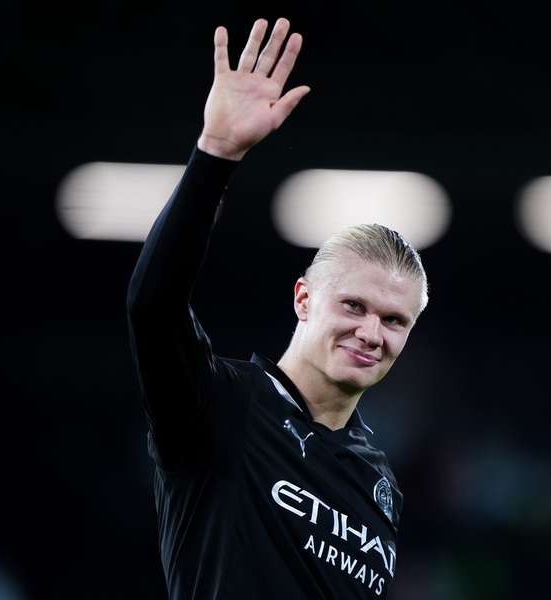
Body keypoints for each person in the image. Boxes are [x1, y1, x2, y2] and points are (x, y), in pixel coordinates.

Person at [125, 17, 429, 599]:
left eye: (395, 321)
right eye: (354, 305)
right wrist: (215, 154)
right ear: (304, 298)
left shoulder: (377, 481)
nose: (371, 332)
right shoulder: (220, 405)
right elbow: (153, 304)